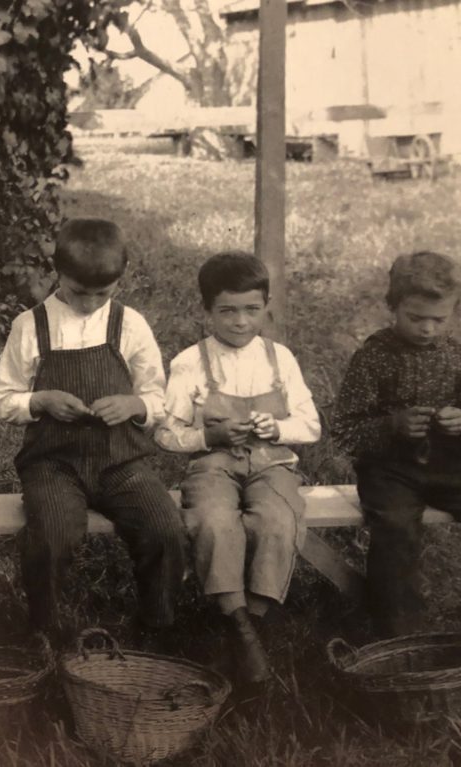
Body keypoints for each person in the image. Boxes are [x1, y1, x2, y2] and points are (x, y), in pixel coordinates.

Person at [0, 218, 185, 646]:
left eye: (104, 293)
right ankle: (45, 629)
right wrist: (39, 401)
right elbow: (1, 398)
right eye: (80, 292)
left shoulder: (129, 324)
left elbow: (160, 396)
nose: (91, 303)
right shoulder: (31, 325)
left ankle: (158, 625)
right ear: (57, 272)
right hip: (54, 463)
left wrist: (135, 405)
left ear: (122, 278)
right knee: (54, 535)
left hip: (121, 460)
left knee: (164, 527)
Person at [156, 253, 320, 684]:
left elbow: (311, 425)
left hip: (272, 463)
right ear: (207, 310)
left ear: (267, 307)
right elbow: (166, 433)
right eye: (227, 311)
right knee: (213, 521)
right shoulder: (190, 362)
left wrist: (277, 427)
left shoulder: (279, 358)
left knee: (276, 521)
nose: (241, 322)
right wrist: (207, 438)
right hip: (214, 464)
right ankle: (240, 627)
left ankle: (250, 624)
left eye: (252, 310)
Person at [332, 251, 461, 638]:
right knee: (394, 529)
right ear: (392, 307)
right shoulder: (374, 357)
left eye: (439, 319)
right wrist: (390, 427)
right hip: (391, 470)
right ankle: (401, 637)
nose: (428, 328)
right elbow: (344, 429)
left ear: (455, 314)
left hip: (453, 467)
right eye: (416, 317)